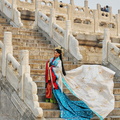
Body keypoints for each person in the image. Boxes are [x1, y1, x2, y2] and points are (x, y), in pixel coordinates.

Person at [45, 48, 115, 120]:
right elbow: (49, 63)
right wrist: (49, 65)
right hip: (53, 78)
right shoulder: (52, 59)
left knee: (58, 91)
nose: (55, 54)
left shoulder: (58, 61)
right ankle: (52, 99)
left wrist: (51, 68)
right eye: (54, 52)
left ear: (59, 54)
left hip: (56, 78)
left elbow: (58, 69)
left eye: (56, 53)